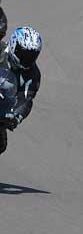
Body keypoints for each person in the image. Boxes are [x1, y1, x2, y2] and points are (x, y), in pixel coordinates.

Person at [0, 27, 42, 155]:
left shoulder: (33, 75)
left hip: (2, 109)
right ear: (14, 45)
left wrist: (16, 116)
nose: (27, 59)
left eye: (32, 56)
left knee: (1, 144)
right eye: (24, 54)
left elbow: (26, 98)